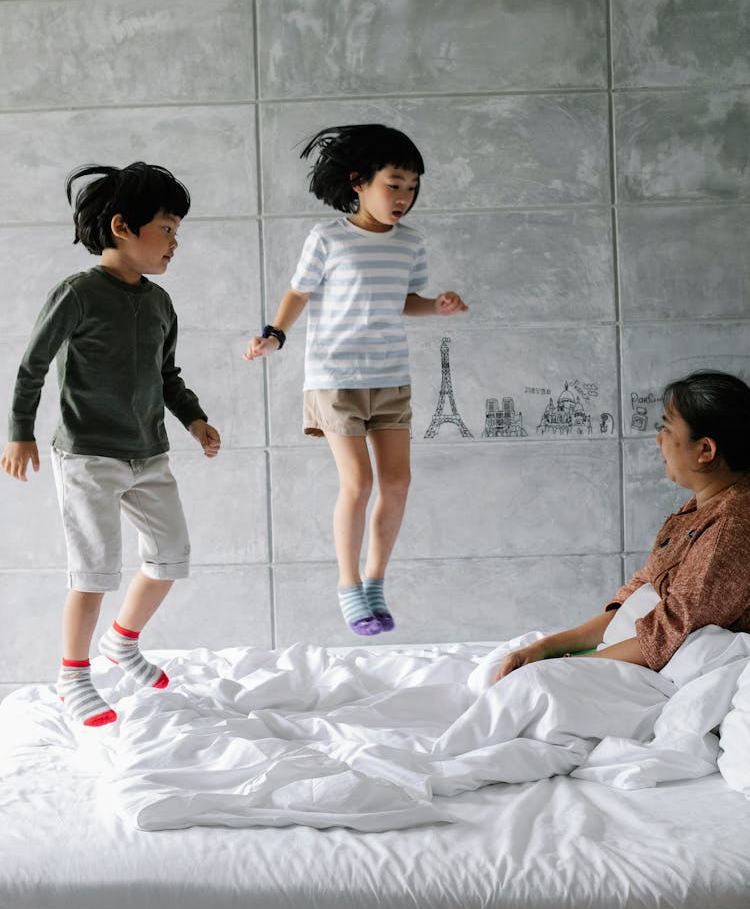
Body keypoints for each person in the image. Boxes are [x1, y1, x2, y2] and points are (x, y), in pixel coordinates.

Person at [1, 162, 221, 727]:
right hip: (86, 456)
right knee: (94, 573)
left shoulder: (160, 303)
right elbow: (32, 367)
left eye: (177, 229)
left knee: (171, 557)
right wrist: (20, 432)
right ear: (124, 226)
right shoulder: (77, 293)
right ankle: (72, 676)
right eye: (167, 228)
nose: (177, 241)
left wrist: (194, 420)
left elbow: (167, 375)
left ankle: (122, 643)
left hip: (149, 453)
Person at [245, 124, 467, 636]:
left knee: (397, 482)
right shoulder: (328, 238)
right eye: (394, 184)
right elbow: (299, 292)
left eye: (412, 187)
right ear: (358, 182)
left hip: (390, 378)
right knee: (359, 482)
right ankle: (348, 585)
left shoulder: (410, 243)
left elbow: (405, 300)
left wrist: (437, 306)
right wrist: (275, 333)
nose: (404, 197)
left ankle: (374, 583)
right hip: (335, 377)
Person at [495, 370, 750, 682]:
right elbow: (643, 590)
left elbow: (667, 634)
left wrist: (567, 667)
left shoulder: (731, 529)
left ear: (705, 451)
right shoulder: (702, 507)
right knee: (503, 666)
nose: (658, 439)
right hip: (631, 649)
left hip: (668, 672)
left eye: (667, 429)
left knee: (522, 689)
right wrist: (546, 647)